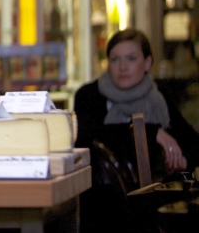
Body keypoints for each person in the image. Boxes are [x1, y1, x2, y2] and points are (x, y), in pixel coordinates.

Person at [75, 28, 199, 173]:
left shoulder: (158, 97)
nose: (122, 67)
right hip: (104, 186)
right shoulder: (89, 95)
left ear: (147, 63)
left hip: (153, 186)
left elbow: (193, 144)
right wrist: (149, 133)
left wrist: (181, 161)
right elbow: (88, 139)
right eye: (115, 59)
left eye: (131, 58)